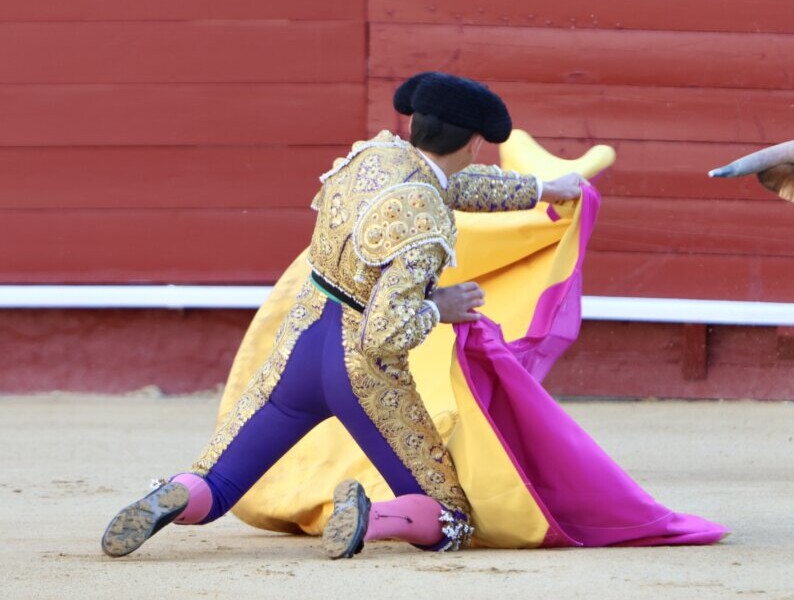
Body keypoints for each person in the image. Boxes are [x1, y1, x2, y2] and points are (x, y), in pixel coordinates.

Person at [101, 72, 587, 558]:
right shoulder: (429, 222)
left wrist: (541, 188)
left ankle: (179, 493)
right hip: (362, 374)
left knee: (219, 482)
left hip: (301, 342)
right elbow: (385, 332)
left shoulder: (375, 156)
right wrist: (440, 307)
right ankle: (370, 517)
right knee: (449, 517)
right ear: (475, 144)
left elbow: (447, 185)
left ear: (415, 124)